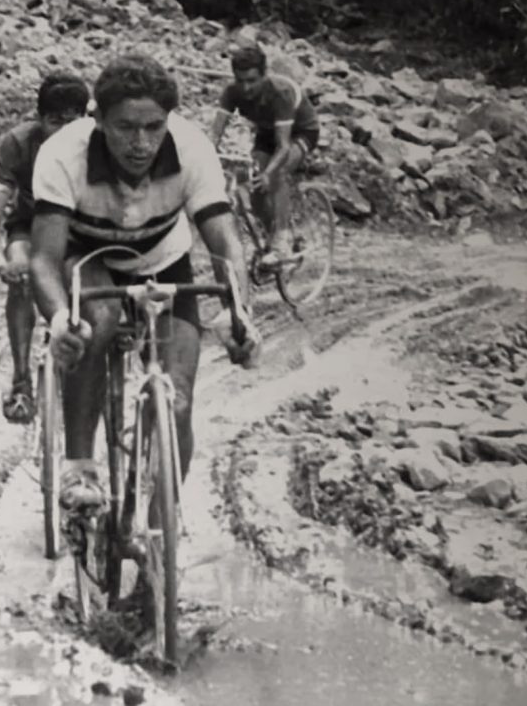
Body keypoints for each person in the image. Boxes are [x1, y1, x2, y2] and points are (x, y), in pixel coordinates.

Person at [30, 54, 262, 509]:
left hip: (163, 259)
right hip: (88, 258)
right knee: (95, 318)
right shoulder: (62, 155)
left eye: (154, 127)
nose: (141, 143)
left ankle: (159, 536)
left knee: (176, 401)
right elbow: (44, 259)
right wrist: (60, 318)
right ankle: (80, 468)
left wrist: (240, 309)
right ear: (98, 121)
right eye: (125, 128)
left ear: (169, 121)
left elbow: (223, 240)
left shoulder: (192, 148)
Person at [0, 72, 90, 424]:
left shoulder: (99, 143)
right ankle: (21, 380)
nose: (63, 130)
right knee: (21, 273)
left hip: (84, 229)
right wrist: (0, 263)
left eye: (72, 121)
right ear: (39, 118)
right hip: (30, 226)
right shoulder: (17, 144)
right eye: (54, 121)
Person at [207, 45, 320, 267]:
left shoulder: (280, 92)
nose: (246, 88)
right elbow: (215, 134)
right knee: (255, 185)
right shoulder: (232, 92)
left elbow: (284, 146)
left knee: (277, 174)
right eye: (240, 80)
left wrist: (269, 173)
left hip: (301, 131)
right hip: (267, 132)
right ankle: (271, 234)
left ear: (264, 75)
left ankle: (282, 241)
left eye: (252, 80)